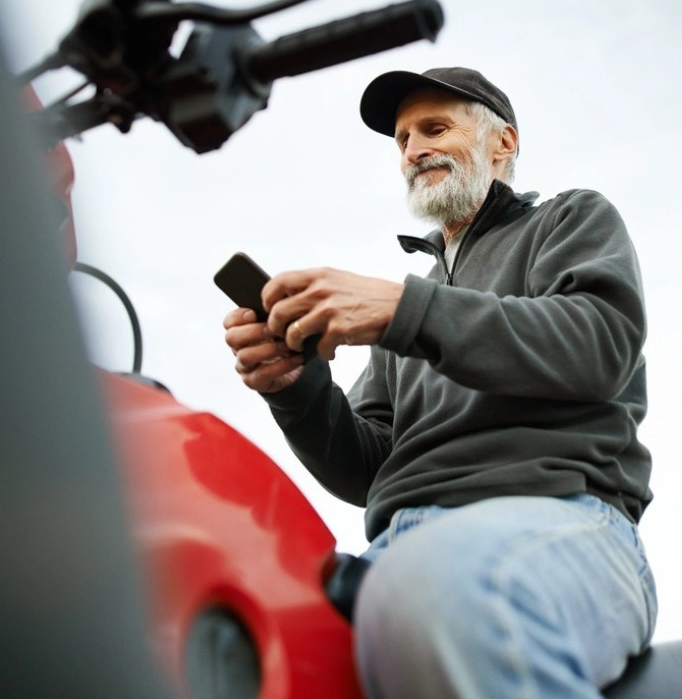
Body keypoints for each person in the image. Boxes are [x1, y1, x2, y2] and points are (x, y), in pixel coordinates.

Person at [223, 67, 656, 697]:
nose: (413, 150)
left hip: (561, 519)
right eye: (401, 139)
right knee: (253, 641)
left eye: (434, 128)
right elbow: (366, 468)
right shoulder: (409, 310)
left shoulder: (570, 219)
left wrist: (403, 311)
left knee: (443, 583)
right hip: (399, 550)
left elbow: (599, 344)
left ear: (503, 143)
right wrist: (297, 387)